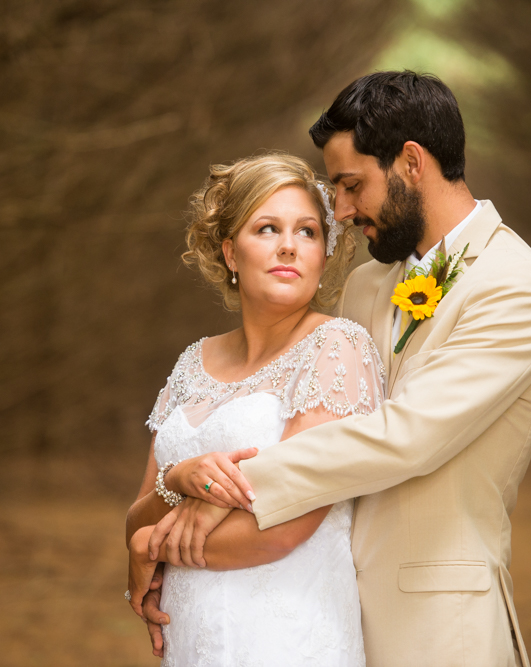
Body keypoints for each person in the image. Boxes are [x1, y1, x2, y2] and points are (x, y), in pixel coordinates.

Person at [147, 71, 531, 667]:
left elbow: (408, 436)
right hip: (323, 614)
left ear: (412, 163)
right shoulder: (368, 285)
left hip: (437, 625)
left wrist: (233, 488)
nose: (339, 211)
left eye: (350, 185)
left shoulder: (518, 287)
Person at [124, 152, 385, 666]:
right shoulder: (190, 362)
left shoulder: (338, 348)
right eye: (267, 228)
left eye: (308, 232)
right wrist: (178, 478)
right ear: (229, 252)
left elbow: (282, 529)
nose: (289, 245)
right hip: (193, 641)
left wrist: (149, 548)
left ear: (325, 254)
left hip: (289, 640)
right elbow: (134, 515)